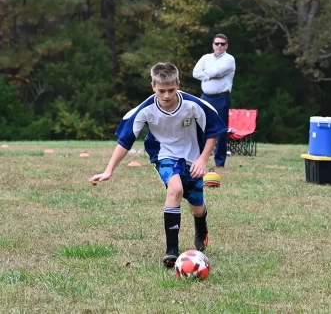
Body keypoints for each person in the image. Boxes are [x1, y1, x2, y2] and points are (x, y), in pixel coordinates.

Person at [89, 62, 227, 268]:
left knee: (196, 208)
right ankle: (172, 251)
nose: (167, 95)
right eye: (161, 90)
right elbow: (125, 141)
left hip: (193, 158)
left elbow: (214, 131)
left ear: (178, 84)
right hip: (164, 156)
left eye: (171, 90)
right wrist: (108, 170)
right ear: (153, 86)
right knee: (175, 189)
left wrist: (202, 159)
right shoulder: (144, 110)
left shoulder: (193, 105)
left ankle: (201, 223)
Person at [193, 34, 235, 168]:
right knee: (198, 127)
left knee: (220, 130)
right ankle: (197, 158)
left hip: (221, 97)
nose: (219, 46)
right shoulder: (205, 58)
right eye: (217, 43)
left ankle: (219, 162)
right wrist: (210, 74)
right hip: (205, 97)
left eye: (222, 44)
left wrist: (205, 73)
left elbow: (219, 71)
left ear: (226, 46)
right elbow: (195, 73)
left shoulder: (229, 59)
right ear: (213, 45)